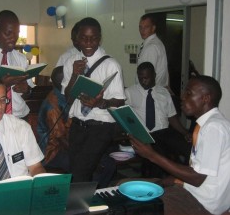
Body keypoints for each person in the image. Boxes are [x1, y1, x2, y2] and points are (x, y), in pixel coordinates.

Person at [129, 75, 230, 215]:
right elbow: (197, 171)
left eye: (189, 93)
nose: (182, 97)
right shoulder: (209, 124)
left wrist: (152, 155)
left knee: (139, 207)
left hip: (202, 202)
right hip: (195, 193)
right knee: (136, 188)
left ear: (206, 98)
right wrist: (166, 181)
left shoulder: (214, 128)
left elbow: (197, 178)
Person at [61, 17, 125, 183]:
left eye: (94, 38)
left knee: (80, 172)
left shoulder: (111, 65)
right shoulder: (70, 62)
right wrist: (75, 75)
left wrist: (100, 103)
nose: (88, 42)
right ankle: (88, 203)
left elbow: (119, 101)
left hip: (101, 126)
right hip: (78, 124)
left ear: (99, 38)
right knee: (76, 170)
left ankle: (78, 206)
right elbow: (68, 97)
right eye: (84, 38)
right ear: (77, 39)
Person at [37, 66, 71, 172]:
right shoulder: (52, 106)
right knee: (82, 165)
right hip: (51, 151)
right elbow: (59, 136)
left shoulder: (64, 95)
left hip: (64, 144)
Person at [137, 13, 169, 88]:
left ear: (153, 28)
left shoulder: (151, 47)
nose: (142, 30)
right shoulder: (157, 42)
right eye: (140, 27)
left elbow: (146, 76)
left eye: (146, 27)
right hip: (158, 89)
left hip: (150, 91)